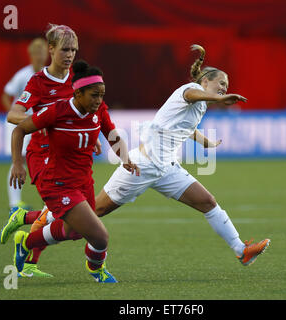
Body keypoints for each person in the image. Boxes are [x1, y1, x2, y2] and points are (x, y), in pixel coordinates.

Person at [94, 44, 270, 267]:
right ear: (205, 81)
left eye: (227, 86)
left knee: (208, 202)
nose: (225, 88)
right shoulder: (188, 90)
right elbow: (191, 94)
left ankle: (241, 250)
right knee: (94, 212)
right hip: (143, 165)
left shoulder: (202, 103)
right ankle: (47, 221)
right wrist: (218, 100)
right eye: (221, 83)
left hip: (166, 168)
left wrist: (205, 141)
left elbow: (185, 127)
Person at [9, 60, 139, 283]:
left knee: (74, 231)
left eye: (102, 95)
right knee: (100, 237)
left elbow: (112, 134)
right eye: (94, 95)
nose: (98, 101)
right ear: (78, 94)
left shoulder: (98, 111)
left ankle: (26, 242)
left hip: (83, 181)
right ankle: (96, 269)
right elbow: (20, 129)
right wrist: (18, 164)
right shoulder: (57, 111)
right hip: (57, 182)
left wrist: (125, 158)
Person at [0, 24, 100, 278]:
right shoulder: (37, 82)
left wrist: (90, 137)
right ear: (51, 49)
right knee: (64, 211)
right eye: (65, 49)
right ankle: (29, 253)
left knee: (71, 223)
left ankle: (25, 227)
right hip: (42, 154)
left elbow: (85, 113)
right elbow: (15, 114)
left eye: (74, 50)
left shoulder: (78, 78)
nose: (69, 55)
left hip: (67, 155)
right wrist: (43, 118)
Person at [1, 38, 48, 209]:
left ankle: (47, 201)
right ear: (31, 55)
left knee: (41, 159)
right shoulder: (22, 75)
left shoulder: (47, 74)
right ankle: (14, 203)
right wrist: (13, 113)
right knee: (18, 160)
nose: (39, 56)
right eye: (36, 53)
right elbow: (6, 95)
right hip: (19, 124)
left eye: (42, 52)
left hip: (36, 124)